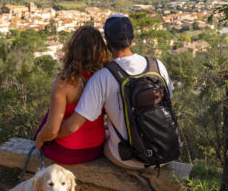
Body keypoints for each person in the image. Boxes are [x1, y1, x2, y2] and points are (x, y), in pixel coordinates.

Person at [57, 14, 173, 169]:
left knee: (104, 142)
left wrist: (51, 134)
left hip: (130, 158)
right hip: (164, 154)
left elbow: (72, 126)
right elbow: (170, 105)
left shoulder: (103, 77)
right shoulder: (157, 66)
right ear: (133, 39)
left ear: (107, 42)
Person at [33, 26, 110, 164]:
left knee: (50, 117)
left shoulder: (64, 83)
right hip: (97, 148)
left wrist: (39, 139)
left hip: (68, 151)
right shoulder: (105, 78)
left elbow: (52, 130)